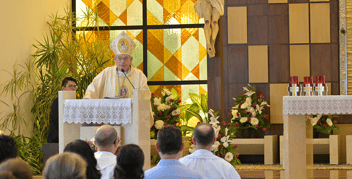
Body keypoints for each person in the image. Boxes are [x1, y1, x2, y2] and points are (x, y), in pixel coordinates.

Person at [83, 31, 153, 127]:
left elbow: (145, 96)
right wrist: (88, 97)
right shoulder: (107, 73)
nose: (122, 61)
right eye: (119, 58)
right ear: (115, 59)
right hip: (108, 120)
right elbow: (93, 88)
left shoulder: (139, 75)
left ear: (130, 59)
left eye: (125, 58)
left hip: (132, 120)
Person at [47, 77, 77, 143]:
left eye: (74, 86)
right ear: (63, 88)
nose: (73, 88)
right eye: (70, 86)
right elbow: (57, 119)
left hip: (70, 136)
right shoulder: (57, 101)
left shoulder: (75, 102)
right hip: (56, 138)